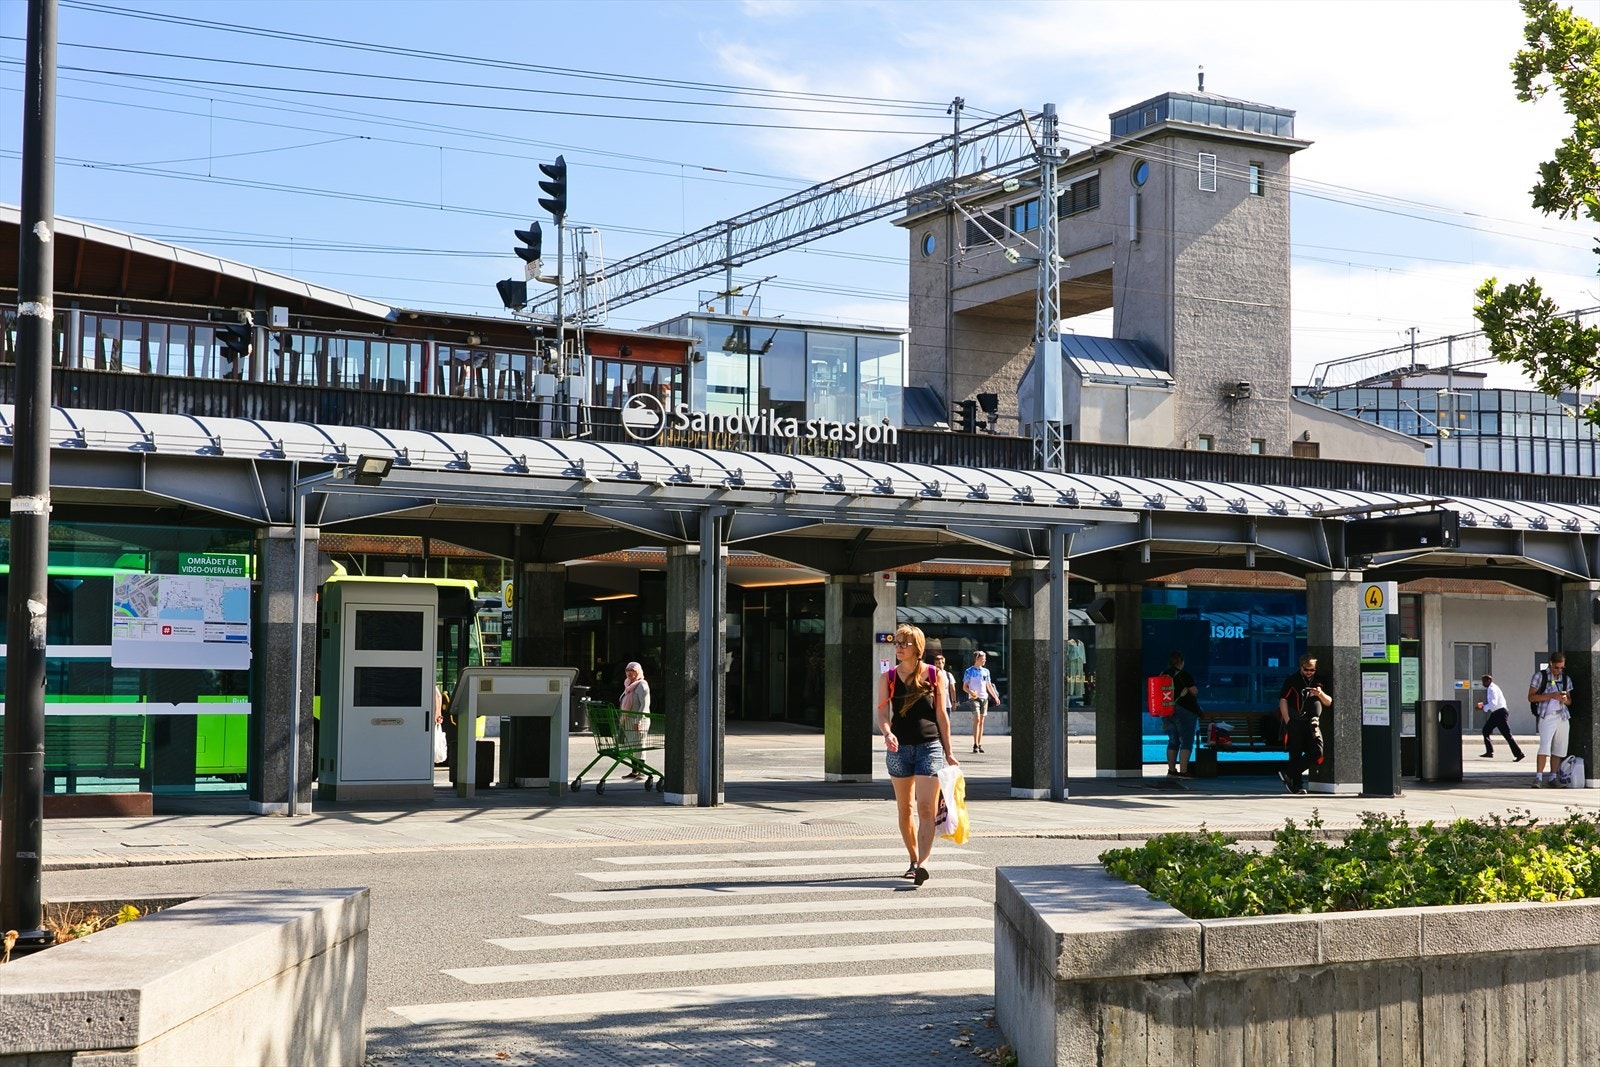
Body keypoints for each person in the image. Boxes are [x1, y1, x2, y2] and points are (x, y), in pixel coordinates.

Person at [877, 624, 958, 886]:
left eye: (904, 643)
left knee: (926, 808)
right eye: (897, 642)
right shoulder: (887, 677)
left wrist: (949, 751)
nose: (899, 647)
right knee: (905, 809)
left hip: (929, 746)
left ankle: (923, 863)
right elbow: (882, 713)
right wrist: (887, 733)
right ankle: (913, 859)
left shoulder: (936, 675)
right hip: (899, 749)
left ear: (918, 647)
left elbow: (941, 715)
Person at [1276, 654, 1332, 794]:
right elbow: (1283, 700)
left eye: (1312, 670)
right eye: (1306, 669)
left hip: (1312, 722)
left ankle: (1289, 773)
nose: (1309, 672)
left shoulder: (1320, 680)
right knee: (1295, 752)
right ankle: (1297, 785)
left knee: (1317, 751)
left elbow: (1328, 702)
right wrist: (1288, 720)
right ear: (1301, 667)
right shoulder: (1292, 680)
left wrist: (1319, 693)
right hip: (1296, 720)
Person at [1528, 654, 1574, 787]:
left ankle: (1553, 776)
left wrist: (1565, 699)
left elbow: (1570, 701)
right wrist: (1551, 696)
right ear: (1550, 664)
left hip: (1563, 716)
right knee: (1545, 746)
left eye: (1561, 668)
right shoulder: (1540, 676)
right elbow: (1531, 697)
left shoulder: (1565, 679)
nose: (1558, 671)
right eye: (1556, 667)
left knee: (1559, 747)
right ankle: (1539, 777)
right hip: (1547, 715)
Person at [1164, 652, 1201, 777]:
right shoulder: (1184, 675)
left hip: (1167, 710)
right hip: (1184, 711)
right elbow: (1194, 692)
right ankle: (1184, 771)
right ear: (1181, 662)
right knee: (1186, 741)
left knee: (1173, 740)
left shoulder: (1163, 675)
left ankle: (1171, 770)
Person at [617, 661, 651, 780]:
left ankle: (640, 771)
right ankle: (634, 770)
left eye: (633, 671)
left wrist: (640, 721)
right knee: (632, 746)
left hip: (638, 720)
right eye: (628, 670)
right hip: (628, 719)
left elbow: (645, 705)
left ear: (638, 672)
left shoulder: (642, 685)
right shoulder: (628, 684)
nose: (630, 673)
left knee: (639, 745)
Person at [1477, 674, 1523, 762]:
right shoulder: (1492, 688)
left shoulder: (1492, 689)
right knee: (1486, 730)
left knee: (1507, 735)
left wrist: (1483, 707)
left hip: (1500, 713)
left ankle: (1519, 754)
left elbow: (1493, 703)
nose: (1483, 683)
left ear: (1489, 681)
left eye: (1484, 681)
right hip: (1497, 713)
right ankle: (1489, 751)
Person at [962, 650, 1000, 754]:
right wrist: (971, 692)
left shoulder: (986, 671)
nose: (984, 660)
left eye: (985, 659)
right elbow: (964, 687)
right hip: (974, 698)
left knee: (982, 721)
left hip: (984, 697)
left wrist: (995, 697)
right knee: (977, 718)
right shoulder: (969, 671)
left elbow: (989, 685)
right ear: (977, 659)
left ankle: (979, 743)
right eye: (983, 658)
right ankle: (975, 744)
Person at [932, 653, 956, 720]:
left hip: (946, 704)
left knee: (946, 722)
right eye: (936, 663)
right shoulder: (931, 675)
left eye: (939, 663)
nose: (937, 665)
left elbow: (952, 689)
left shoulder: (948, 675)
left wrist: (954, 702)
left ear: (943, 663)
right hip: (935, 704)